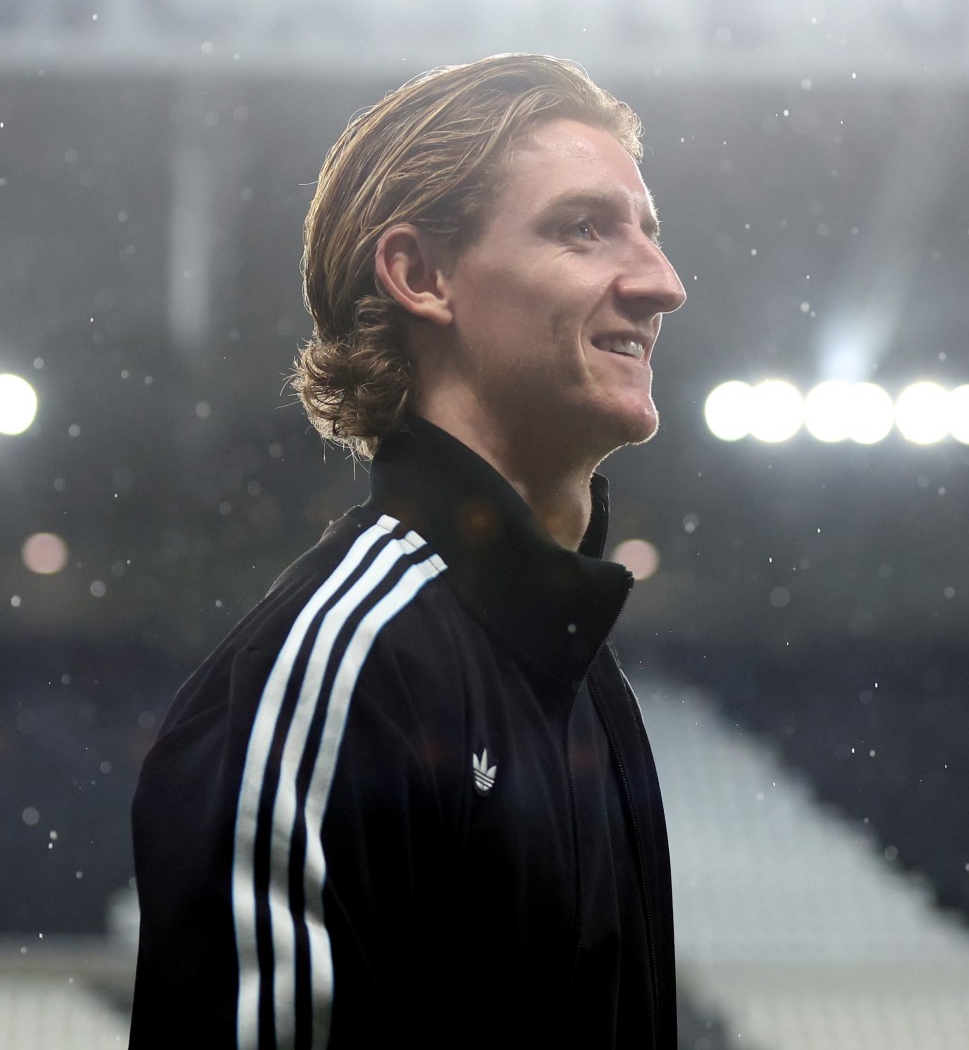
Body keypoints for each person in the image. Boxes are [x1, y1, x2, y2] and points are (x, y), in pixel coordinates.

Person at [129, 53, 688, 1049]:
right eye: (584, 228)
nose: (660, 284)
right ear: (423, 276)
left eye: (648, 232)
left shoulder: (595, 695)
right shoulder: (339, 669)